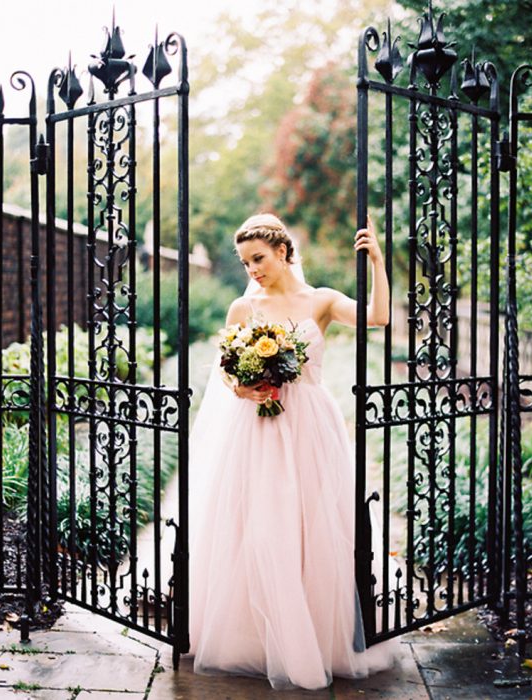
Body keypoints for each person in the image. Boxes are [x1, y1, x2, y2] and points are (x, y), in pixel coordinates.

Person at [188, 212, 397, 690]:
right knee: (260, 525)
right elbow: (226, 369)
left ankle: (315, 637)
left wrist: (378, 264)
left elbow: (378, 317)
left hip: (310, 426)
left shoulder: (319, 300)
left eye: (258, 259)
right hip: (257, 431)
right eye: (245, 263)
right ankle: (254, 638)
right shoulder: (243, 308)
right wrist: (242, 389)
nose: (253, 270)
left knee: (312, 528)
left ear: (283, 251)